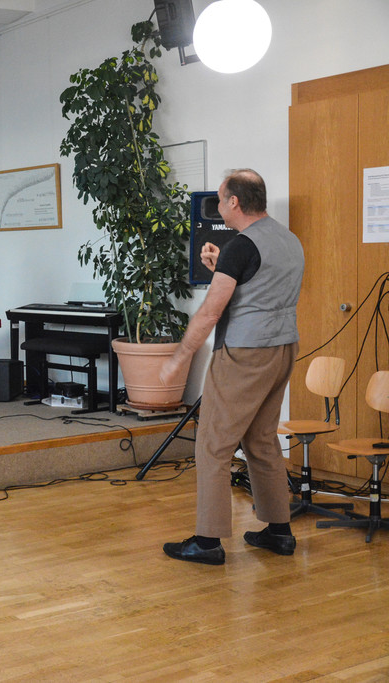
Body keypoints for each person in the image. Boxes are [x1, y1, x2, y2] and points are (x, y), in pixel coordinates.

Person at [159, 169, 304, 566]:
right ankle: (279, 531)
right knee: (261, 440)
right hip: (283, 348)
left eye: (221, 199)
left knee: (213, 444)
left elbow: (210, 312)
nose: (219, 205)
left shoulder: (241, 246)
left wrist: (179, 358)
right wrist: (219, 268)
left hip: (244, 353)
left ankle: (207, 541)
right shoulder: (288, 239)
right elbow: (260, 288)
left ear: (234, 202)